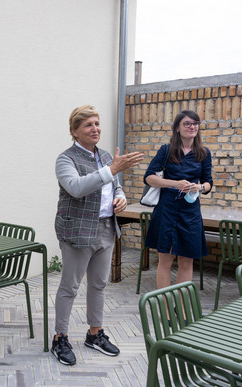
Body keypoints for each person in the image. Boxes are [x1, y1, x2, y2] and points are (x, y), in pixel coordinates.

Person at [52, 105, 144, 365]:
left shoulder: (105, 156)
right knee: (69, 287)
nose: (95, 128)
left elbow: (115, 186)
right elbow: (76, 188)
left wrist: (121, 196)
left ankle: (95, 333)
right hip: (78, 230)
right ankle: (60, 338)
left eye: (97, 123)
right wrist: (113, 169)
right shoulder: (65, 159)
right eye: (88, 125)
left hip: (106, 228)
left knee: (99, 284)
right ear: (74, 131)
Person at [144, 110, 213, 292]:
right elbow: (149, 177)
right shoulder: (166, 150)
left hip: (190, 213)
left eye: (195, 123)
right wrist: (174, 184)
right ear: (177, 128)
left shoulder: (204, 153)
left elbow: (208, 183)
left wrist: (199, 187)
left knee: (186, 260)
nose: (192, 127)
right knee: (165, 260)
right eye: (187, 123)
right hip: (166, 210)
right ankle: (164, 304)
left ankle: (181, 307)